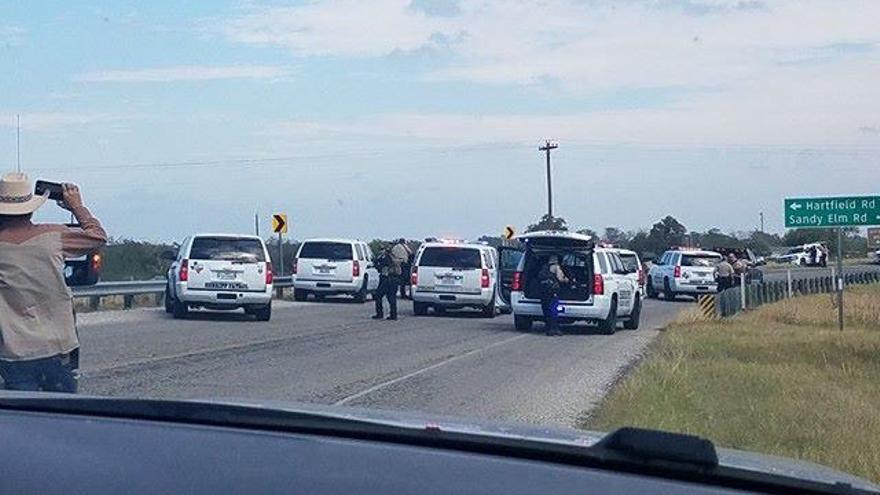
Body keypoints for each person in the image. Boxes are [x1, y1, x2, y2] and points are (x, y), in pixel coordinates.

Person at [0, 173, 107, 393]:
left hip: (15, 351)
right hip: (58, 346)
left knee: (22, 419)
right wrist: (77, 207)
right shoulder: (54, 236)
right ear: (31, 207)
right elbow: (98, 236)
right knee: (62, 415)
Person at [537, 255, 569, 337]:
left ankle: (548, 328)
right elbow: (560, 278)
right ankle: (555, 329)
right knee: (554, 310)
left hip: (543, 291)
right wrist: (567, 280)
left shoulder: (544, 267)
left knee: (546, 310)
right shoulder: (556, 267)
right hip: (553, 292)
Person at [372, 244, 401, 321]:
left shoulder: (385, 258)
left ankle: (380, 314)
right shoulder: (393, 257)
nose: (381, 251)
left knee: (378, 296)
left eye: (382, 249)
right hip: (394, 279)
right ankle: (393, 315)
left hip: (386, 279)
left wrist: (376, 262)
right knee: (392, 297)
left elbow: (380, 267)